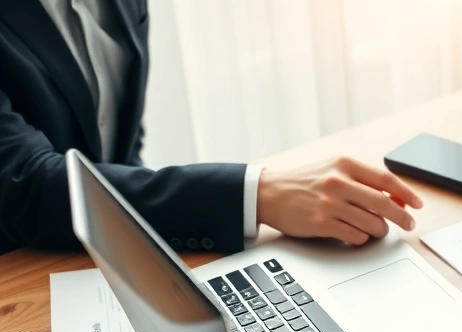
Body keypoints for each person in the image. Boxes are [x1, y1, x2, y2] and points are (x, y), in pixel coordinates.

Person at [0, 1, 422, 256]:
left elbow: (117, 137)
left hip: (106, 259)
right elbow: (24, 183)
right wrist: (256, 194)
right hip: (21, 274)